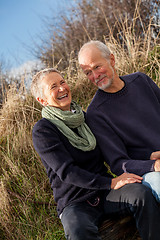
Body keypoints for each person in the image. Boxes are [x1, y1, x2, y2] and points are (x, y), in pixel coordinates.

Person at [31, 68, 160, 240]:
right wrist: (111, 182)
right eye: (53, 86)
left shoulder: (85, 119)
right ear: (42, 100)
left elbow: (113, 150)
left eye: (62, 82)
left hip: (105, 193)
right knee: (78, 231)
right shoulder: (43, 130)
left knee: (141, 195)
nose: (62, 88)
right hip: (75, 201)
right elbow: (67, 172)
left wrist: (148, 157)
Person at [78, 40, 160, 203]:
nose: (95, 76)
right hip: (150, 171)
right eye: (88, 72)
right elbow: (118, 163)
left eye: (97, 67)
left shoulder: (141, 80)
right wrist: (153, 165)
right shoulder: (96, 113)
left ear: (112, 60)